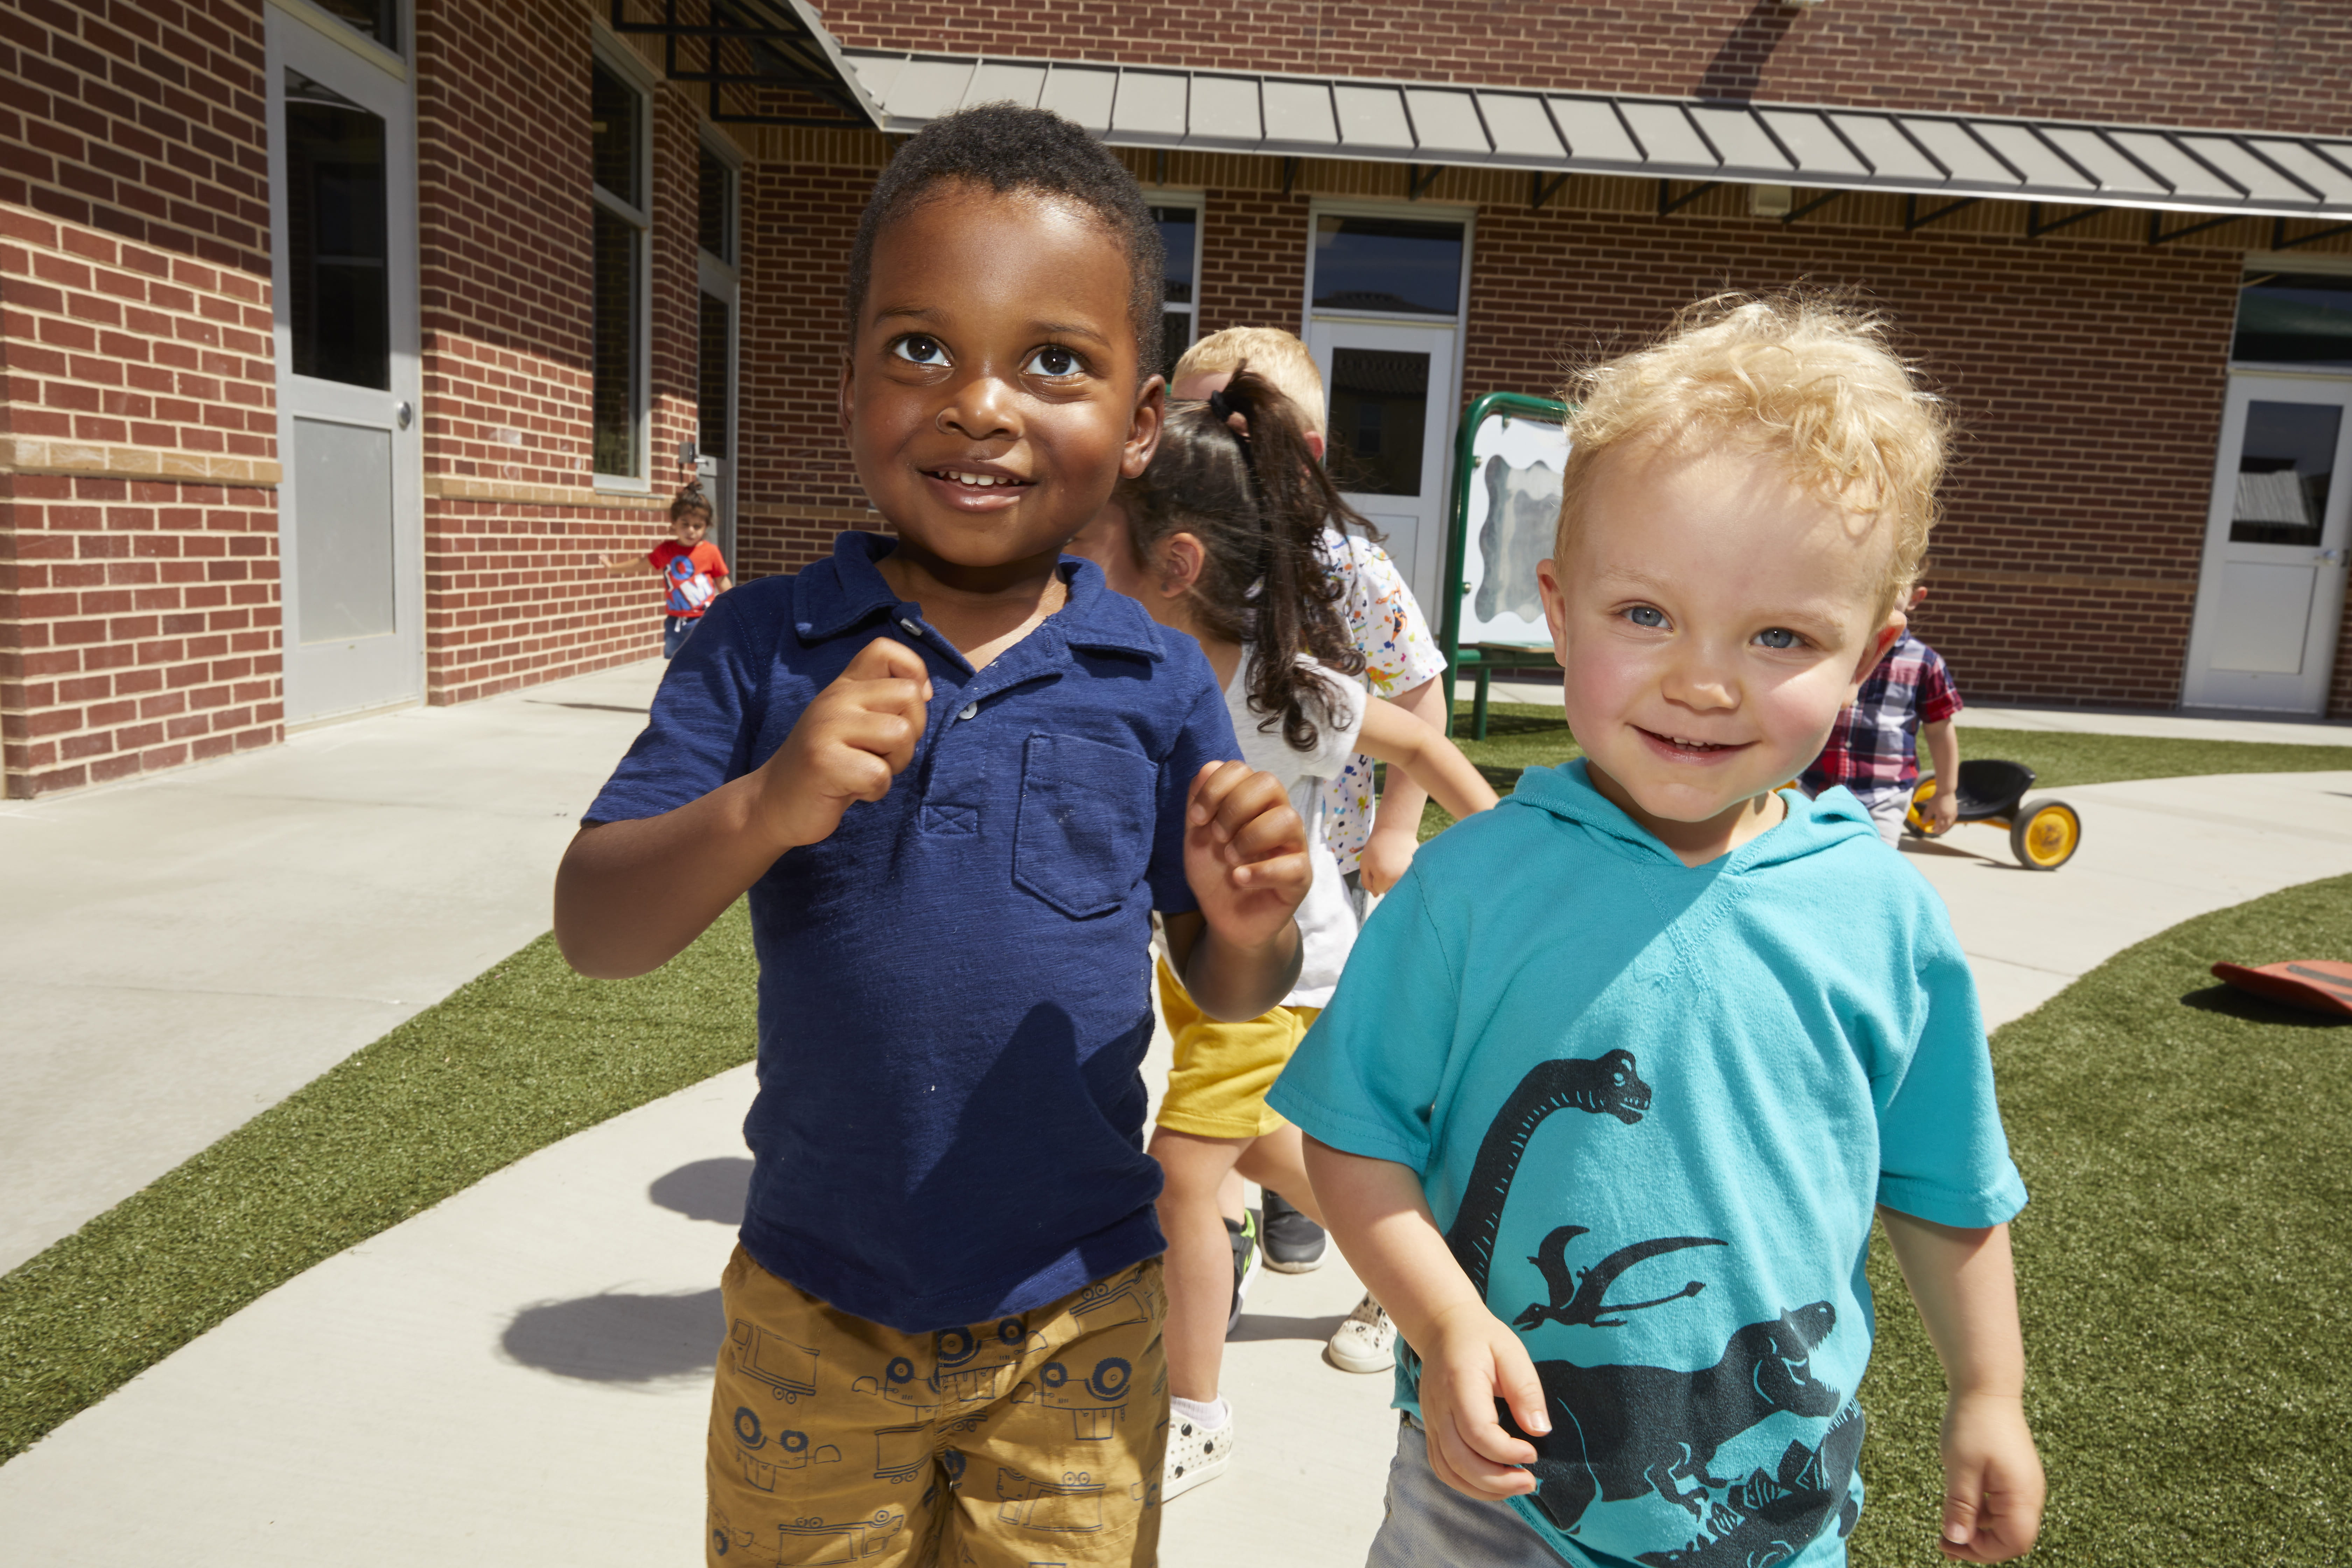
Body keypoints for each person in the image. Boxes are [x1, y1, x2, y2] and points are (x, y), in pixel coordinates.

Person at [554, 105, 1315, 1568]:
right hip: (815, 1309)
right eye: (920, 348)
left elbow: (1230, 991)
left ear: (1139, 422)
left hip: (1080, 1313)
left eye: (1053, 362)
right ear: (848, 386)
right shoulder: (764, 645)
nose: (981, 403)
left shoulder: (1153, 675)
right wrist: (767, 805)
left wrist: (1242, 919)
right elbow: (600, 929)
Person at [1270, 292, 2044, 1567]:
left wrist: (1987, 1393)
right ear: (1556, 607)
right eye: (1643, 614)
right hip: (1488, 1497)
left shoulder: (1883, 916)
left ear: (1870, 657)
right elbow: (1352, 1145)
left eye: (1779, 635)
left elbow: (1946, 1188)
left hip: (1770, 1498)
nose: (1702, 678)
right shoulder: (1467, 890)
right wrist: (1444, 1321)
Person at [1067, 370, 1499, 1500]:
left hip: (1287, 978)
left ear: (1177, 566)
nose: (1066, 566)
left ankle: (1194, 1414)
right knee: (1269, 1156)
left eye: (1089, 544)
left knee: (1182, 1181)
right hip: (1196, 976)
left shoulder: (1279, 685)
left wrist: (1506, 858)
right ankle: (1424, 1239)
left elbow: (1426, 749)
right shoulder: (1129, 671)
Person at [1170, 326, 1449, 1367]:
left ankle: (1394, 1249)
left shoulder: (1344, 561)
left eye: (1243, 434)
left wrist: (1398, 826)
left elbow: (1415, 691)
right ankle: (1256, 1226)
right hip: (1204, 882)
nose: (1213, 455)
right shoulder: (1173, 559)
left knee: (1276, 1098)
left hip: (1314, 880)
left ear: (1308, 452)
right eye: (1195, 427)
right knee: (1235, 1103)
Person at [1801, 585, 1964, 843]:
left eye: (1895, 586)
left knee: (1875, 872)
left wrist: (1946, 791)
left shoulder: (1926, 663)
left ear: (1916, 598)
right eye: (1873, 583)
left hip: (1884, 797)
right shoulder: (1831, 650)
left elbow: (1939, 729)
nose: (1881, 594)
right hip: (1815, 787)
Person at [605, 481, 731, 658]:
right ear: (674, 523)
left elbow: (722, 582)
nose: (691, 531)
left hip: (704, 620)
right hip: (675, 622)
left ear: (706, 526)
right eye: (685, 524)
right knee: (675, 665)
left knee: (703, 662)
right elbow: (643, 563)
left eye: (697, 526)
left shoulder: (711, 552)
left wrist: (737, 606)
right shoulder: (666, 551)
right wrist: (614, 569)